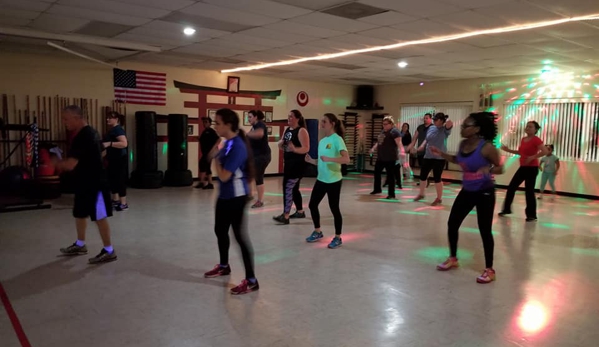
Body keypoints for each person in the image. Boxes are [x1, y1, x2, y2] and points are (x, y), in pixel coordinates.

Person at [431, 112, 503, 284]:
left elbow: (501, 168)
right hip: (467, 191)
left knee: (484, 230)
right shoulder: (463, 144)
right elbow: (457, 160)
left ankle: (490, 270)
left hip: (484, 192)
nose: (462, 129)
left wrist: (489, 170)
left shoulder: (487, 147)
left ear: (477, 129)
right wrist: (441, 153)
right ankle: (453, 258)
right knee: (452, 223)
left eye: (466, 126)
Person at [203, 108, 258, 295]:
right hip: (225, 196)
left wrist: (216, 158)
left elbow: (225, 175)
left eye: (218, 123)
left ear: (228, 125)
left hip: (237, 198)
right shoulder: (228, 142)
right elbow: (213, 157)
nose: (215, 126)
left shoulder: (238, 146)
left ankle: (251, 280)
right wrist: (216, 151)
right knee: (220, 230)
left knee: (240, 238)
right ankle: (224, 266)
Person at [57, 105, 116, 264]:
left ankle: (109, 250)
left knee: (100, 217)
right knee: (80, 213)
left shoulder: (85, 135)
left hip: (95, 184)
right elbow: (102, 151)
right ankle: (80, 244)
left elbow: (70, 164)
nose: (64, 122)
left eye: (66, 119)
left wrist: (55, 162)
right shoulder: (91, 133)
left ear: (77, 118)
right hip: (84, 182)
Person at [304, 114, 350, 249]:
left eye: (324, 121)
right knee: (312, 205)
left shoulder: (338, 140)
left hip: (334, 180)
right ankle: (317, 231)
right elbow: (321, 161)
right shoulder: (322, 141)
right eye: (322, 121)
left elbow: (346, 159)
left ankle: (337, 237)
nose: (322, 123)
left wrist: (331, 159)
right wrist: (311, 161)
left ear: (332, 123)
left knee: (334, 208)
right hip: (321, 179)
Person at [499, 121, 549, 221]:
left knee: (529, 192)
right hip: (523, 167)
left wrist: (532, 157)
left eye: (530, 127)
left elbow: (545, 151)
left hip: (532, 168)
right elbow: (520, 152)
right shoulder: (523, 139)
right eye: (527, 126)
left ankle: (531, 215)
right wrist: (507, 150)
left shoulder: (536, 140)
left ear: (535, 130)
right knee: (511, 187)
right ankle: (506, 209)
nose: (527, 128)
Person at [273, 110, 310, 225]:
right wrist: (280, 143)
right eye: (288, 116)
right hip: (289, 164)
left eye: (291, 117)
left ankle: (286, 215)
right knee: (294, 188)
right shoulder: (288, 130)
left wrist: (294, 149)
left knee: (287, 187)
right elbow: (283, 144)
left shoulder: (302, 131)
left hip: (297, 165)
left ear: (297, 119)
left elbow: (306, 148)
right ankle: (300, 211)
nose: (289, 118)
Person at [412, 113, 453, 206]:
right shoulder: (431, 128)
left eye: (436, 119)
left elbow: (450, 123)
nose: (434, 121)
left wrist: (446, 118)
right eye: (434, 119)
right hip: (428, 156)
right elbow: (426, 140)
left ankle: (439, 198)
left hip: (439, 158)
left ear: (442, 121)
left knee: (437, 178)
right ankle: (421, 194)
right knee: (423, 176)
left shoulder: (445, 130)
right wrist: (420, 148)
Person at [369, 116, 403, 199]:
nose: (384, 126)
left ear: (391, 124)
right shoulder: (383, 132)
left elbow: (399, 143)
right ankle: (377, 189)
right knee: (377, 173)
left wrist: (402, 152)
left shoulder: (395, 132)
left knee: (390, 176)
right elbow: (379, 142)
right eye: (383, 124)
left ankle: (391, 194)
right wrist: (373, 149)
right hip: (381, 157)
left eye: (386, 124)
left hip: (390, 158)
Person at [103, 111, 129, 211]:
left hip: (119, 159)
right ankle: (115, 200)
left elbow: (124, 144)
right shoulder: (112, 130)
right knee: (112, 179)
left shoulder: (118, 130)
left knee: (119, 180)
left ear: (116, 119)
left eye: (110, 118)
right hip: (112, 158)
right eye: (107, 118)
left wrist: (110, 143)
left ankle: (123, 203)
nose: (107, 119)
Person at [247, 110, 271, 208]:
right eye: (248, 117)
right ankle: (249, 195)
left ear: (256, 117)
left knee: (258, 177)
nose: (248, 119)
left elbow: (260, 134)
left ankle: (260, 201)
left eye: (250, 117)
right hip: (257, 156)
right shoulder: (253, 127)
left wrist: (245, 134)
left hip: (263, 156)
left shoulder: (260, 125)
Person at [195, 117, 221, 189]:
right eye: (203, 122)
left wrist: (213, 149)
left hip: (209, 153)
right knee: (203, 165)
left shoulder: (211, 131)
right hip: (205, 152)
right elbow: (204, 140)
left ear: (209, 123)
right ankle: (202, 182)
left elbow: (219, 139)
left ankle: (209, 184)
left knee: (206, 166)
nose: (204, 123)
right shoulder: (205, 132)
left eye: (206, 122)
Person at [408, 113, 433, 185]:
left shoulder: (433, 127)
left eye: (427, 118)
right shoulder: (420, 127)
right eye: (424, 118)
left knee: (427, 167)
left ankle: (425, 180)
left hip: (429, 151)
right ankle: (423, 180)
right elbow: (414, 138)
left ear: (431, 119)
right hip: (420, 151)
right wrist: (411, 147)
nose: (425, 119)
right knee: (422, 166)